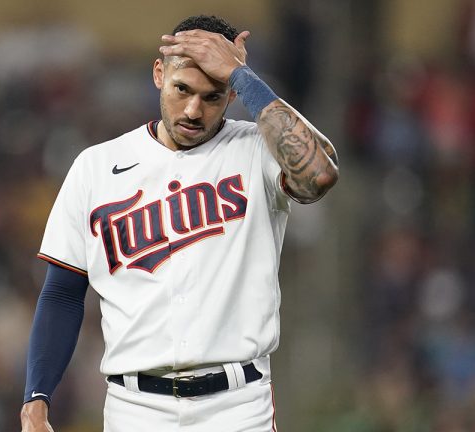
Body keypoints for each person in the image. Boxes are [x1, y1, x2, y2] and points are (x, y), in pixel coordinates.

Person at [20, 15, 338, 432]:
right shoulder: (95, 168)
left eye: (213, 95)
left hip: (238, 407)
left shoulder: (257, 150)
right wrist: (36, 399)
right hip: (135, 409)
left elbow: (319, 174)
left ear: (231, 94)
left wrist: (242, 75)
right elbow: (62, 292)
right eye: (182, 89)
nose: (193, 110)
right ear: (158, 74)